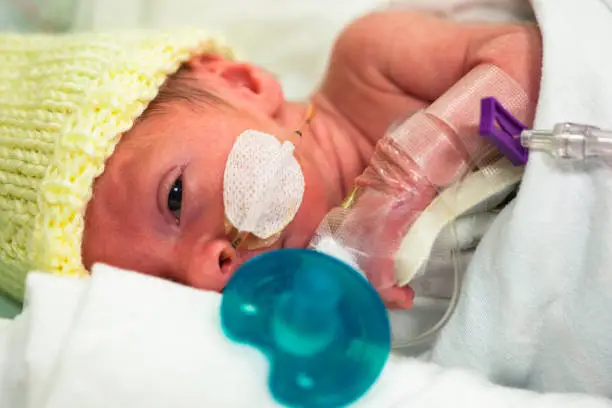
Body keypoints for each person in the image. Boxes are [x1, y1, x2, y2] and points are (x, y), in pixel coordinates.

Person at [0, 10, 541, 309]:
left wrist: (400, 181)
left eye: (174, 197)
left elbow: (528, 61)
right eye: (169, 289)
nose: (204, 272)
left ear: (241, 82)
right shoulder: (332, 315)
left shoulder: (370, 70)